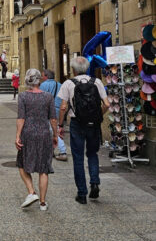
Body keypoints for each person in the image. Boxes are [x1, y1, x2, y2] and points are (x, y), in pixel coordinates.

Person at [57, 56, 110, 205]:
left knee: (78, 158)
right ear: (87, 68)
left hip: (77, 123)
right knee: (92, 154)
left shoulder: (68, 83)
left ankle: (82, 194)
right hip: (93, 124)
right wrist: (98, 115)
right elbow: (107, 104)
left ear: (73, 69)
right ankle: (94, 183)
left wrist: (60, 125)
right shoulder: (97, 82)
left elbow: (63, 107)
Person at [16, 68, 58, 211]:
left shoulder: (23, 96)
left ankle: (32, 192)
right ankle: (43, 203)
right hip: (44, 133)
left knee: (21, 164)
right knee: (43, 168)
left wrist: (17, 136)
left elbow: (21, 118)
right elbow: (53, 119)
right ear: (39, 80)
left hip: (27, 133)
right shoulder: (48, 97)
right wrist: (55, 135)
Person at [40, 69, 68, 161]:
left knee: (53, 131)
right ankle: (51, 151)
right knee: (53, 129)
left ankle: (63, 151)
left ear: (46, 76)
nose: (41, 77)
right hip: (58, 110)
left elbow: (41, 99)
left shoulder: (43, 85)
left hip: (48, 111)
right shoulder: (59, 85)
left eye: (42, 76)